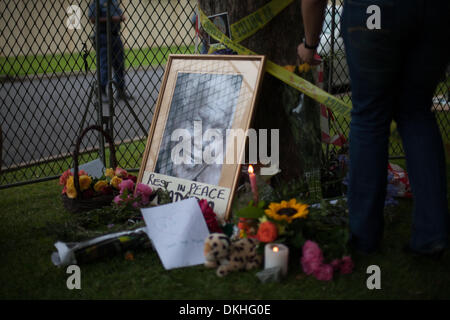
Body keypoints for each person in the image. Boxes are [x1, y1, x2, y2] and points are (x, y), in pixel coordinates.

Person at [298, 0, 449, 256]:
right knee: (417, 114)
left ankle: (363, 236)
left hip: (372, 11)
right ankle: (433, 234)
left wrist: (310, 44)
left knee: (369, 118)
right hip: (434, 12)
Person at [89, 0, 133, 101]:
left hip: (115, 35)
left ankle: (120, 91)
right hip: (103, 35)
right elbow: (92, 18)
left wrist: (120, 18)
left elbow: (121, 14)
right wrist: (111, 19)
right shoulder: (98, 2)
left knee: (119, 64)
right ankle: (102, 93)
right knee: (104, 65)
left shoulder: (114, 2)